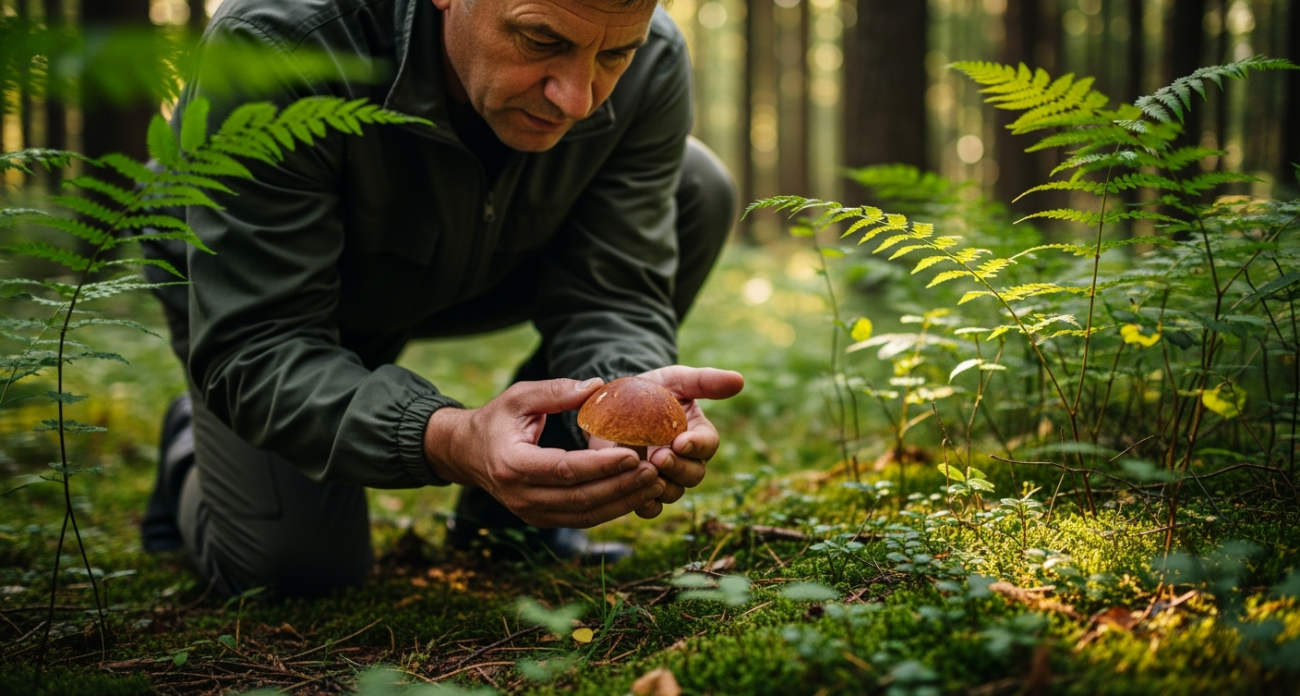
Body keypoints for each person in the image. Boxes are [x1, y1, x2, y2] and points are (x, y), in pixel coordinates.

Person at [139, 0, 745, 600]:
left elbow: (614, 292)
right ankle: (195, 442)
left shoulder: (653, 55)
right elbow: (261, 339)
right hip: (270, 293)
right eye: (540, 40)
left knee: (699, 188)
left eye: (613, 55)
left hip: (477, 263)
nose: (578, 100)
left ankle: (511, 519)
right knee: (296, 570)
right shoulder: (279, 43)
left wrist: (628, 395)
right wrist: (450, 438)